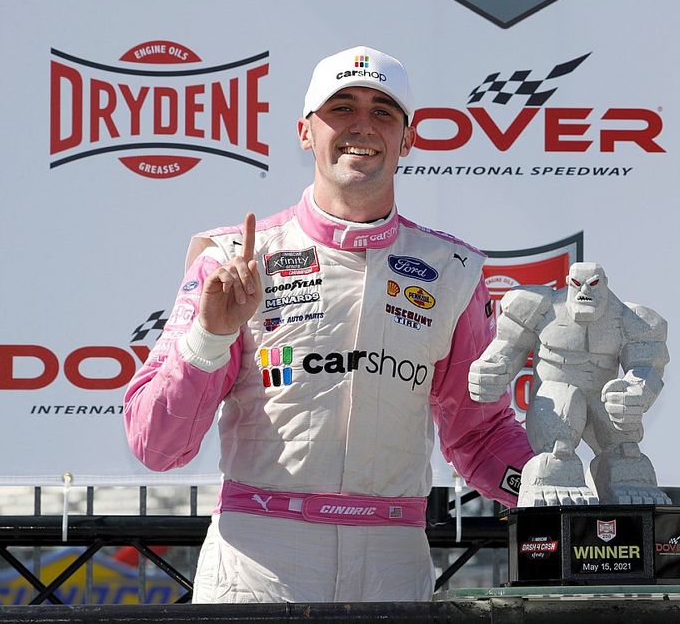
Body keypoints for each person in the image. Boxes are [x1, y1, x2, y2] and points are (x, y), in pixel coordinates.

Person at [123, 46, 533, 603]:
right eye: (341, 107)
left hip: (392, 559)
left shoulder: (452, 271)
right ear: (305, 131)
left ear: (408, 139)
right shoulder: (237, 259)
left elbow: (480, 433)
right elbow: (155, 445)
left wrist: (545, 490)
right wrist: (209, 338)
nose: (362, 125)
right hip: (260, 558)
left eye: (383, 111)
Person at [469, 262, 669, 507]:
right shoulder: (539, 306)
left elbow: (646, 366)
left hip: (602, 399)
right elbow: (508, 347)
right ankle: (554, 479)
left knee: (627, 456)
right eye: (577, 284)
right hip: (556, 400)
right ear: (568, 282)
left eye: (593, 284)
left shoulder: (632, 319)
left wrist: (636, 392)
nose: (585, 290)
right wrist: (490, 370)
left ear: (604, 284)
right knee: (557, 454)